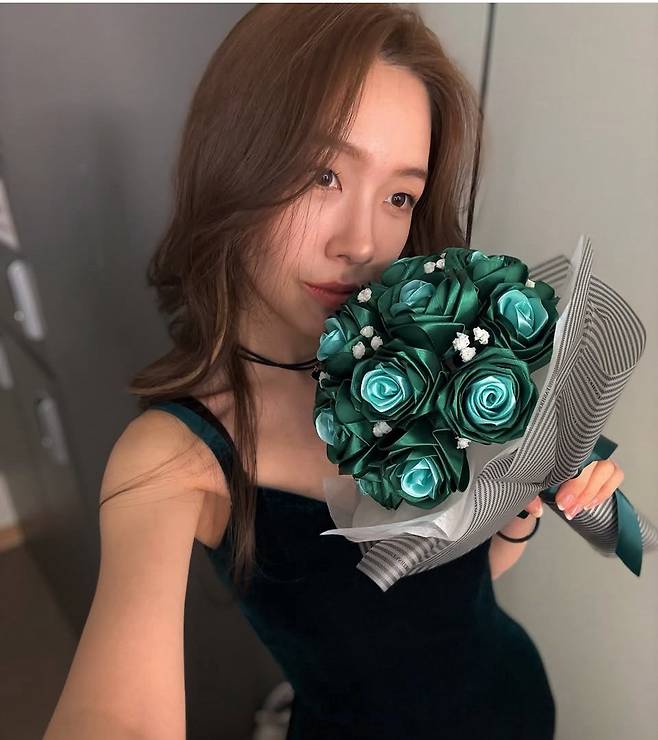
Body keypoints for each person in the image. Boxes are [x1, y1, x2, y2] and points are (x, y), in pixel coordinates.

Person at [44, 5, 625, 740]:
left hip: (517, 701)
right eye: (323, 174)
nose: (363, 243)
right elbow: (117, 720)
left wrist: (519, 510)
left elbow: (456, 596)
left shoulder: (435, 361)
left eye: (399, 196)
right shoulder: (173, 460)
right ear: (234, 160)